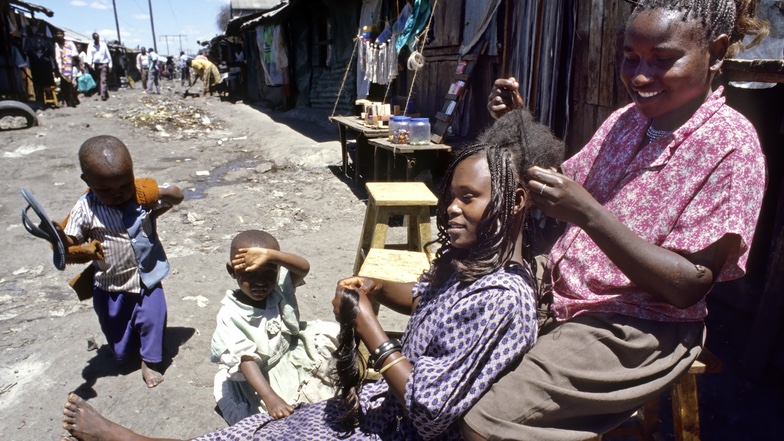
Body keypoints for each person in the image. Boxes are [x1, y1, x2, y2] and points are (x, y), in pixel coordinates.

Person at [58, 110, 567, 440]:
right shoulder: (471, 264)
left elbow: (430, 412)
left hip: (403, 430)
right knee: (269, 427)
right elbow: (424, 298)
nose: (449, 208)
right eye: (450, 195)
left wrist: (370, 329)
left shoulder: (503, 297)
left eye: (467, 198)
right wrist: (374, 287)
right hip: (385, 407)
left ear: (516, 202)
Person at [460, 1, 769, 440]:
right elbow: (563, 187)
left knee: (483, 427)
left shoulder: (730, 146)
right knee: (453, 342)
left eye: (663, 60)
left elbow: (688, 286)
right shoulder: (627, 120)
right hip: (563, 287)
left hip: (638, 324)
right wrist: (517, 126)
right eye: (630, 58)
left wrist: (588, 213)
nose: (640, 76)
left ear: (716, 53)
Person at [54, 135, 184, 389]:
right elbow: (72, 240)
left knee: (153, 318)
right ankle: (126, 351)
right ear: (87, 182)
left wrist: (162, 191)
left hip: (147, 278)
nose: (118, 194)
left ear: (132, 172)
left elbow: (177, 197)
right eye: (106, 190)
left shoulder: (141, 194)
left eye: (124, 185)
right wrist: (59, 236)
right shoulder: (86, 207)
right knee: (117, 332)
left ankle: (150, 360)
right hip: (110, 284)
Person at [211, 229, 339, 424]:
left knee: (334, 335)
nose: (260, 282)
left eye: (269, 272)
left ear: (278, 269)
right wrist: (270, 398)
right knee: (287, 412)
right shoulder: (230, 314)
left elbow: (303, 268)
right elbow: (246, 360)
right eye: (249, 274)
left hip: (289, 351)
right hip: (260, 375)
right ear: (232, 271)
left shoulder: (279, 286)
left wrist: (271, 255)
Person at [54, 29, 79, 107]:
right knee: (64, 85)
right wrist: (59, 68)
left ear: (63, 35)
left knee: (72, 85)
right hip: (62, 68)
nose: (59, 35)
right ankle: (67, 101)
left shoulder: (69, 43)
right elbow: (57, 57)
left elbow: (75, 54)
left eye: (60, 34)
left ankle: (73, 100)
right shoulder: (56, 45)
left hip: (71, 66)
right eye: (57, 34)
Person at [86, 32, 112, 101]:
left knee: (103, 79)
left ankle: (103, 95)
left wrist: (110, 65)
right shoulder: (90, 46)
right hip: (96, 65)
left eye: (97, 38)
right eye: (95, 38)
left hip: (104, 64)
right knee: (99, 79)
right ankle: (105, 93)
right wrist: (89, 63)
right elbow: (89, 55)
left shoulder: (103, 45)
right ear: (93, 39)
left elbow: (108, 55)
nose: (97, 39)